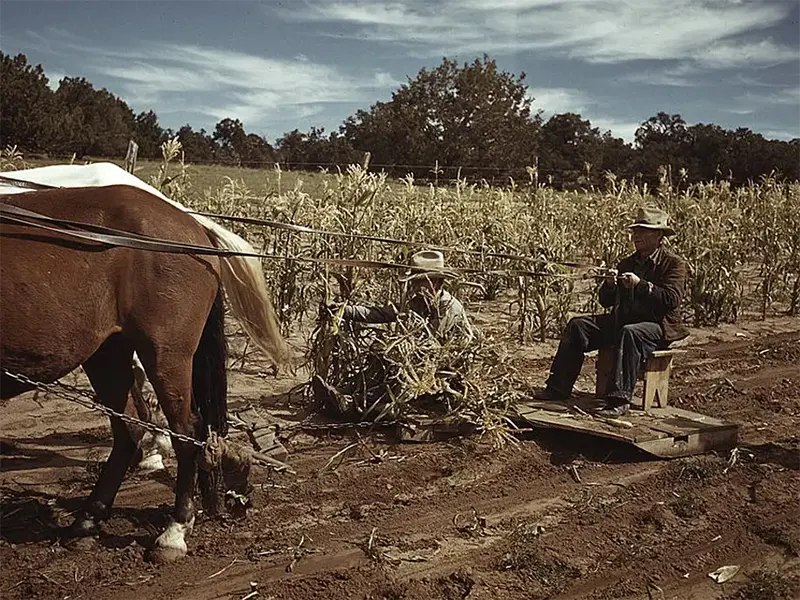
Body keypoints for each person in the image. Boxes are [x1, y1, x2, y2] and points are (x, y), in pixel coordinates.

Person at [534, 206, 689, 417]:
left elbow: (671, 300)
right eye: (635, 231)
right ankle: (557, 388)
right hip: (623, 321)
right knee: (578, 326)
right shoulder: (628, 262)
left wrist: (640, 285)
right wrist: (609, 284)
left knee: (630, 332)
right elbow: (606, 301)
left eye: (643, 231)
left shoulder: (673, 264)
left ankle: (618, 399)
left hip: (657, 327)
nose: (636, 236)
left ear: (658, 235)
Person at [338, 249, 474, 344]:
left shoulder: (447, 305)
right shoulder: (419, 302)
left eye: (421, 280)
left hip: (451, 359)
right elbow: (380, 314)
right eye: (414, 280)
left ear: (436, 281)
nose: (415, 285)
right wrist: (344, 310)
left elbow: (432, 340)